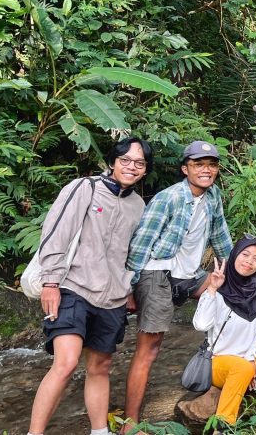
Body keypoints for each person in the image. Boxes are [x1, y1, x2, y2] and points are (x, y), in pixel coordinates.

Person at [28, 137, 153, 435]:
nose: (131, 167)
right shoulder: (85, 188)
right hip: (73, 287)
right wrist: (50, 282)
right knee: (67, 362)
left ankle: (100, 431)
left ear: (145, 170)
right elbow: (56, 233)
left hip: (112, 298)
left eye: (139, 163)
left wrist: (130, 291)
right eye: (125, 160)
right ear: (113, 162)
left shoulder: (139, 205)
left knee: (100, 367)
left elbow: (134, 254)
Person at [123, 140, 233, 432]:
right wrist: (129, 288)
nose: (206, 170)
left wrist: (237, 273)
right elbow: (141, 245)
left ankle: (216, 369)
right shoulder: (168, 198)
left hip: (190, 274)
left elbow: (221, 237)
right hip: (157, 272)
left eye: (211, 165)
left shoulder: (213, 197)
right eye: (199, 165)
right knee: (150, 348)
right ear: (186, 169)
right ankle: (130, 422)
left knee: (229, 299)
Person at [188, 236, 256, 427]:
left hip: (252, 358)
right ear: (234, 256)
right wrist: (212, 289)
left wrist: (251, 362)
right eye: (245, 254)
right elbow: (200, 324)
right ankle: (224, 427)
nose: (249, 261)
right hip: (220, 362)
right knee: (242, 367)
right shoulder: (218, 286)